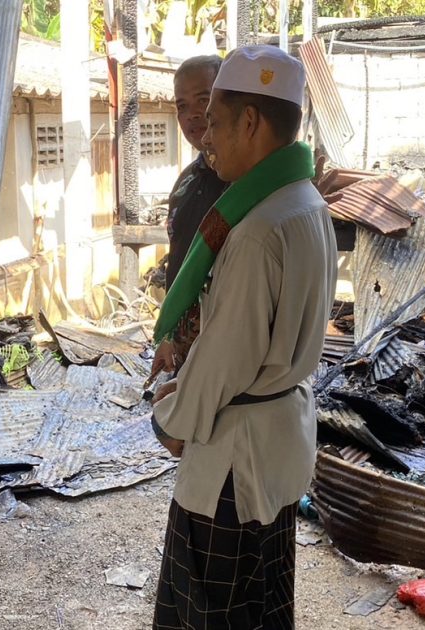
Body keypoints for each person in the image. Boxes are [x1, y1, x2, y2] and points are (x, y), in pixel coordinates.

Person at [149, 45, 338, 629]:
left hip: (234, 459)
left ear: (251, 122)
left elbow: (224, 361)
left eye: (215, 122)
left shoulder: (257, 230)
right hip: (277, 441)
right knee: (264, 602)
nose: (206, 138)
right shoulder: (305, 203)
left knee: (214, 611)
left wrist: (172, 420)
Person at [152, 55, 231, 378]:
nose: (193, 115)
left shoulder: (247, 185)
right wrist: (168, 335)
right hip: (186, 349)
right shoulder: (186, 183)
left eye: (203, 100)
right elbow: (179, 261)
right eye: (182, 106)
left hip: (230, 348)